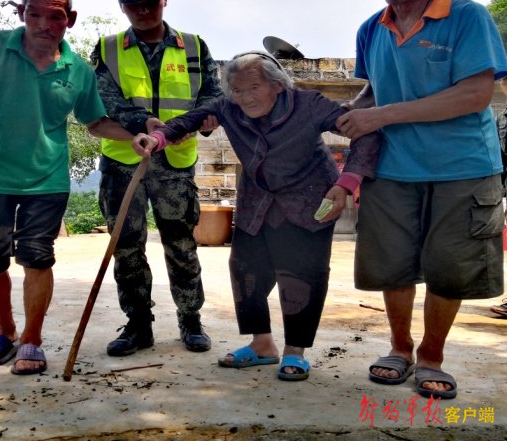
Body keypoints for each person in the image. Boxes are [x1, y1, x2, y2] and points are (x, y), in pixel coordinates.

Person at [0, 0, 132, 375]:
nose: (42, 24)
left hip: (47, 179)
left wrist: (136, 137)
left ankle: (32, 340)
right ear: (21, 14)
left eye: (54, 16)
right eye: (33, 14)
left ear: (68, 20)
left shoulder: (79, 71)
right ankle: (5, 332)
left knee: (38, 256)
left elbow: (97, 123)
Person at [132, 51, 380, 380]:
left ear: (277, 85)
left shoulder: (308, 104)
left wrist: (346, 184)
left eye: (253, 88)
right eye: (236, 90)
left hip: (309, 200)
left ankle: (295, 352)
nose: (244, 98)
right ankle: (262, 344)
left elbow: (364, 133)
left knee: (301, 274)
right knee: (245, 271)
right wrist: (157, 138)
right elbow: (188, 121)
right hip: (257, 202)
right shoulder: (228, 108)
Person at [336, 0, 507, 399]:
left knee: (450, 267)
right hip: (392, 167)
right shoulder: (371, 28)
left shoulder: (467, 17)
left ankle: (432, 355)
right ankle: (399, 348)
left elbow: (476, 94)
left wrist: (382, 115)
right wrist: (336, 117)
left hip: (462, 166)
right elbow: (375, 91)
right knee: (392, 264)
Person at [90, 0, 222, 356]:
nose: (143, 11)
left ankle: (190, 319)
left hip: (176, 165)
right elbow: (103, 101)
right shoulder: (108, 48)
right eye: (134, 6)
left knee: (181, 244)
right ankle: (137, 324)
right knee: (126, 246)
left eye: (150, 3)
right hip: (122, 164)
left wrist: (193, 123)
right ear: (122, 6)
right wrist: (141, 124)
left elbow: (213, 97)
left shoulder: (195, 47)